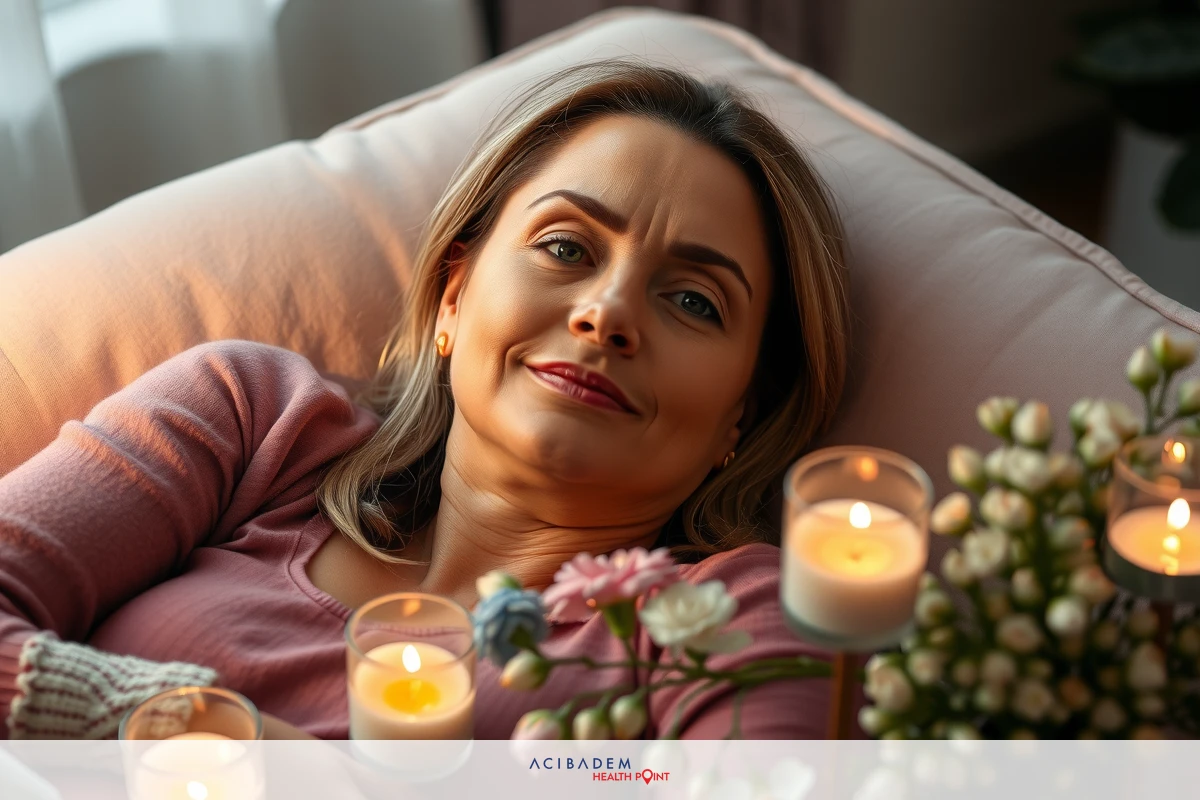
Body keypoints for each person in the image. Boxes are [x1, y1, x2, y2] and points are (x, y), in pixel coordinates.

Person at [0, 58, 851, 740]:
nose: (609, 313)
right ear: (454, 296)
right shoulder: (251, 417)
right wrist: (181, 728)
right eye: (565, 246)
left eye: (695, 301)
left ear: (742, 412)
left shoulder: (735, 623)